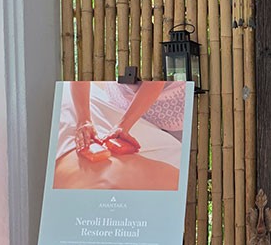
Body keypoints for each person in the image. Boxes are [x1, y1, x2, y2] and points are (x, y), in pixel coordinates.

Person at [53, 80, 187, 191]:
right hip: (122, 102)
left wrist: (124, 125)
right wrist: (84, 119)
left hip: (171, 108)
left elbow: (155, 81)